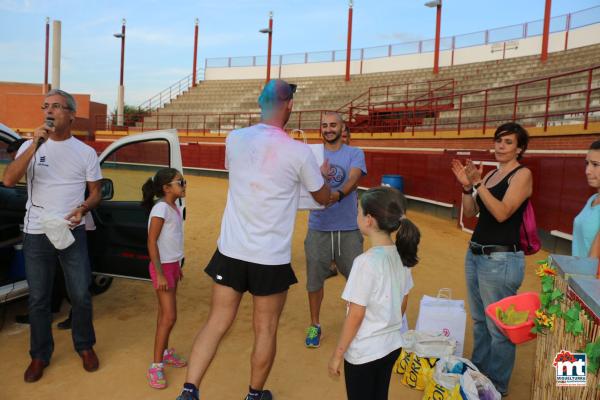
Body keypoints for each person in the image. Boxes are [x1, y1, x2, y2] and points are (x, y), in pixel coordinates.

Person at [177, 79, 330, 400]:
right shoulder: (301, 153)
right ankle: (254, 394)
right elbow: (323, 196)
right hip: (269, 257)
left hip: (231, 250)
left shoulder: (235, 139)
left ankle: (189, 391)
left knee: (216, 322)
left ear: (260, 102)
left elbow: (249, 175)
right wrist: (324, 177)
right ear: (290, 106)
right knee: (266, 329)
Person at [2, 89, 102, 382]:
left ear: (71, 114)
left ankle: (84, 346)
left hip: (72, 232)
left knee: (81, 293)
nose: (50, 111)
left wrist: (83, 208)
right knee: (39, 298)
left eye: (57, 106)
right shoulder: (31, 146)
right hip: (37, 232)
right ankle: (39, 355)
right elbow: (8, 180)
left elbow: (96, 193)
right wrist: (34, 145)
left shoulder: (85, 152)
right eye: (46, 106)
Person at [451, 122, 532, 397]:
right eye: (498, 140)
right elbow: (473, 212)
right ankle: (479, 373)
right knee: (479, 320)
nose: (500, 146)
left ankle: (496, 387)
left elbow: (502, 212)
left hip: (500, 260)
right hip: (476, 254)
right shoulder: (492, 176)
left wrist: (476, 183)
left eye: (508, 142)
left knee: (499, 327)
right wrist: (466, 188)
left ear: (519, 148)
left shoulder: (522, 175)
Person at [328, 186, 420, 400]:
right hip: (390, 346)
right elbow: (403, 301)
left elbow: (356, 314)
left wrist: (337, 354)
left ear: (368, 220)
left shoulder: (365, 263)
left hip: (365, 352)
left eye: (359, 210)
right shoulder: (401, 256)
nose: (357, 214)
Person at [304, 112, 366, 348]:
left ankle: (356, 325)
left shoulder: (355, 153)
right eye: (324, 125)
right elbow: (304, 184)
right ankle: (314, 324)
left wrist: (337, 194)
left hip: (348, 227)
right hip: (318, 225)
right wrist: (319, 177)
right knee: (314, 281)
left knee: (357, 281)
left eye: (333, 125)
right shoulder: (312, 155)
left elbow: (353, 179)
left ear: (342, 128)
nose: (328, 129)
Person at [142, 168, 188, 389]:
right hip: (162, 268)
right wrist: (160, 273)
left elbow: (173, 240)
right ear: (166, 188)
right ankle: (156, 366)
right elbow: (152, 242)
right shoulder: (161, 208)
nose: (184, 185)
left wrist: (177, 266)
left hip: (171, 266)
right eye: (180, 182)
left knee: (164, 315)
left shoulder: (174, 206)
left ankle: (166, 353)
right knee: (169, 317)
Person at [572, 139, 600, 258]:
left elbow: (594, 258)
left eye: (595, 164)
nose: (587, 171)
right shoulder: (593, 199)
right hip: (579, 273)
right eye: (587, 163)